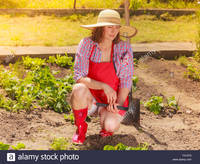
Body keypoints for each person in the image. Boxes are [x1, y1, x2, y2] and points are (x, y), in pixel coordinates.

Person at [70, 9, 137, 144]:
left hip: (112, 100)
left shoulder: (124, 48)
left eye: (117, 27)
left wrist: (118, 102)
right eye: (109, 27)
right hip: (91, 97)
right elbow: (79, 76)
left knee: (111, 125)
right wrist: (103, 86)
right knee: (78, 89)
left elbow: (125, 80)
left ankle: (105, 124)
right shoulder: (87, 44)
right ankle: (80, 129)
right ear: (100, 28)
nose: (113, 31)